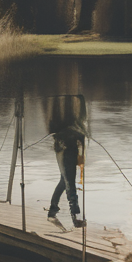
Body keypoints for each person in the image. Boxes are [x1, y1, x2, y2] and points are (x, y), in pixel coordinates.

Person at [46, 95, 88, 227]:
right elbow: (56, 128)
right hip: (65, 149)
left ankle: (53, 210)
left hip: (68, 148)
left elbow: (82, 118)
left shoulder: (65, 110)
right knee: (69, 183)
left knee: (64, 181)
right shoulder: (64, 114)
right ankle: (76, 216)